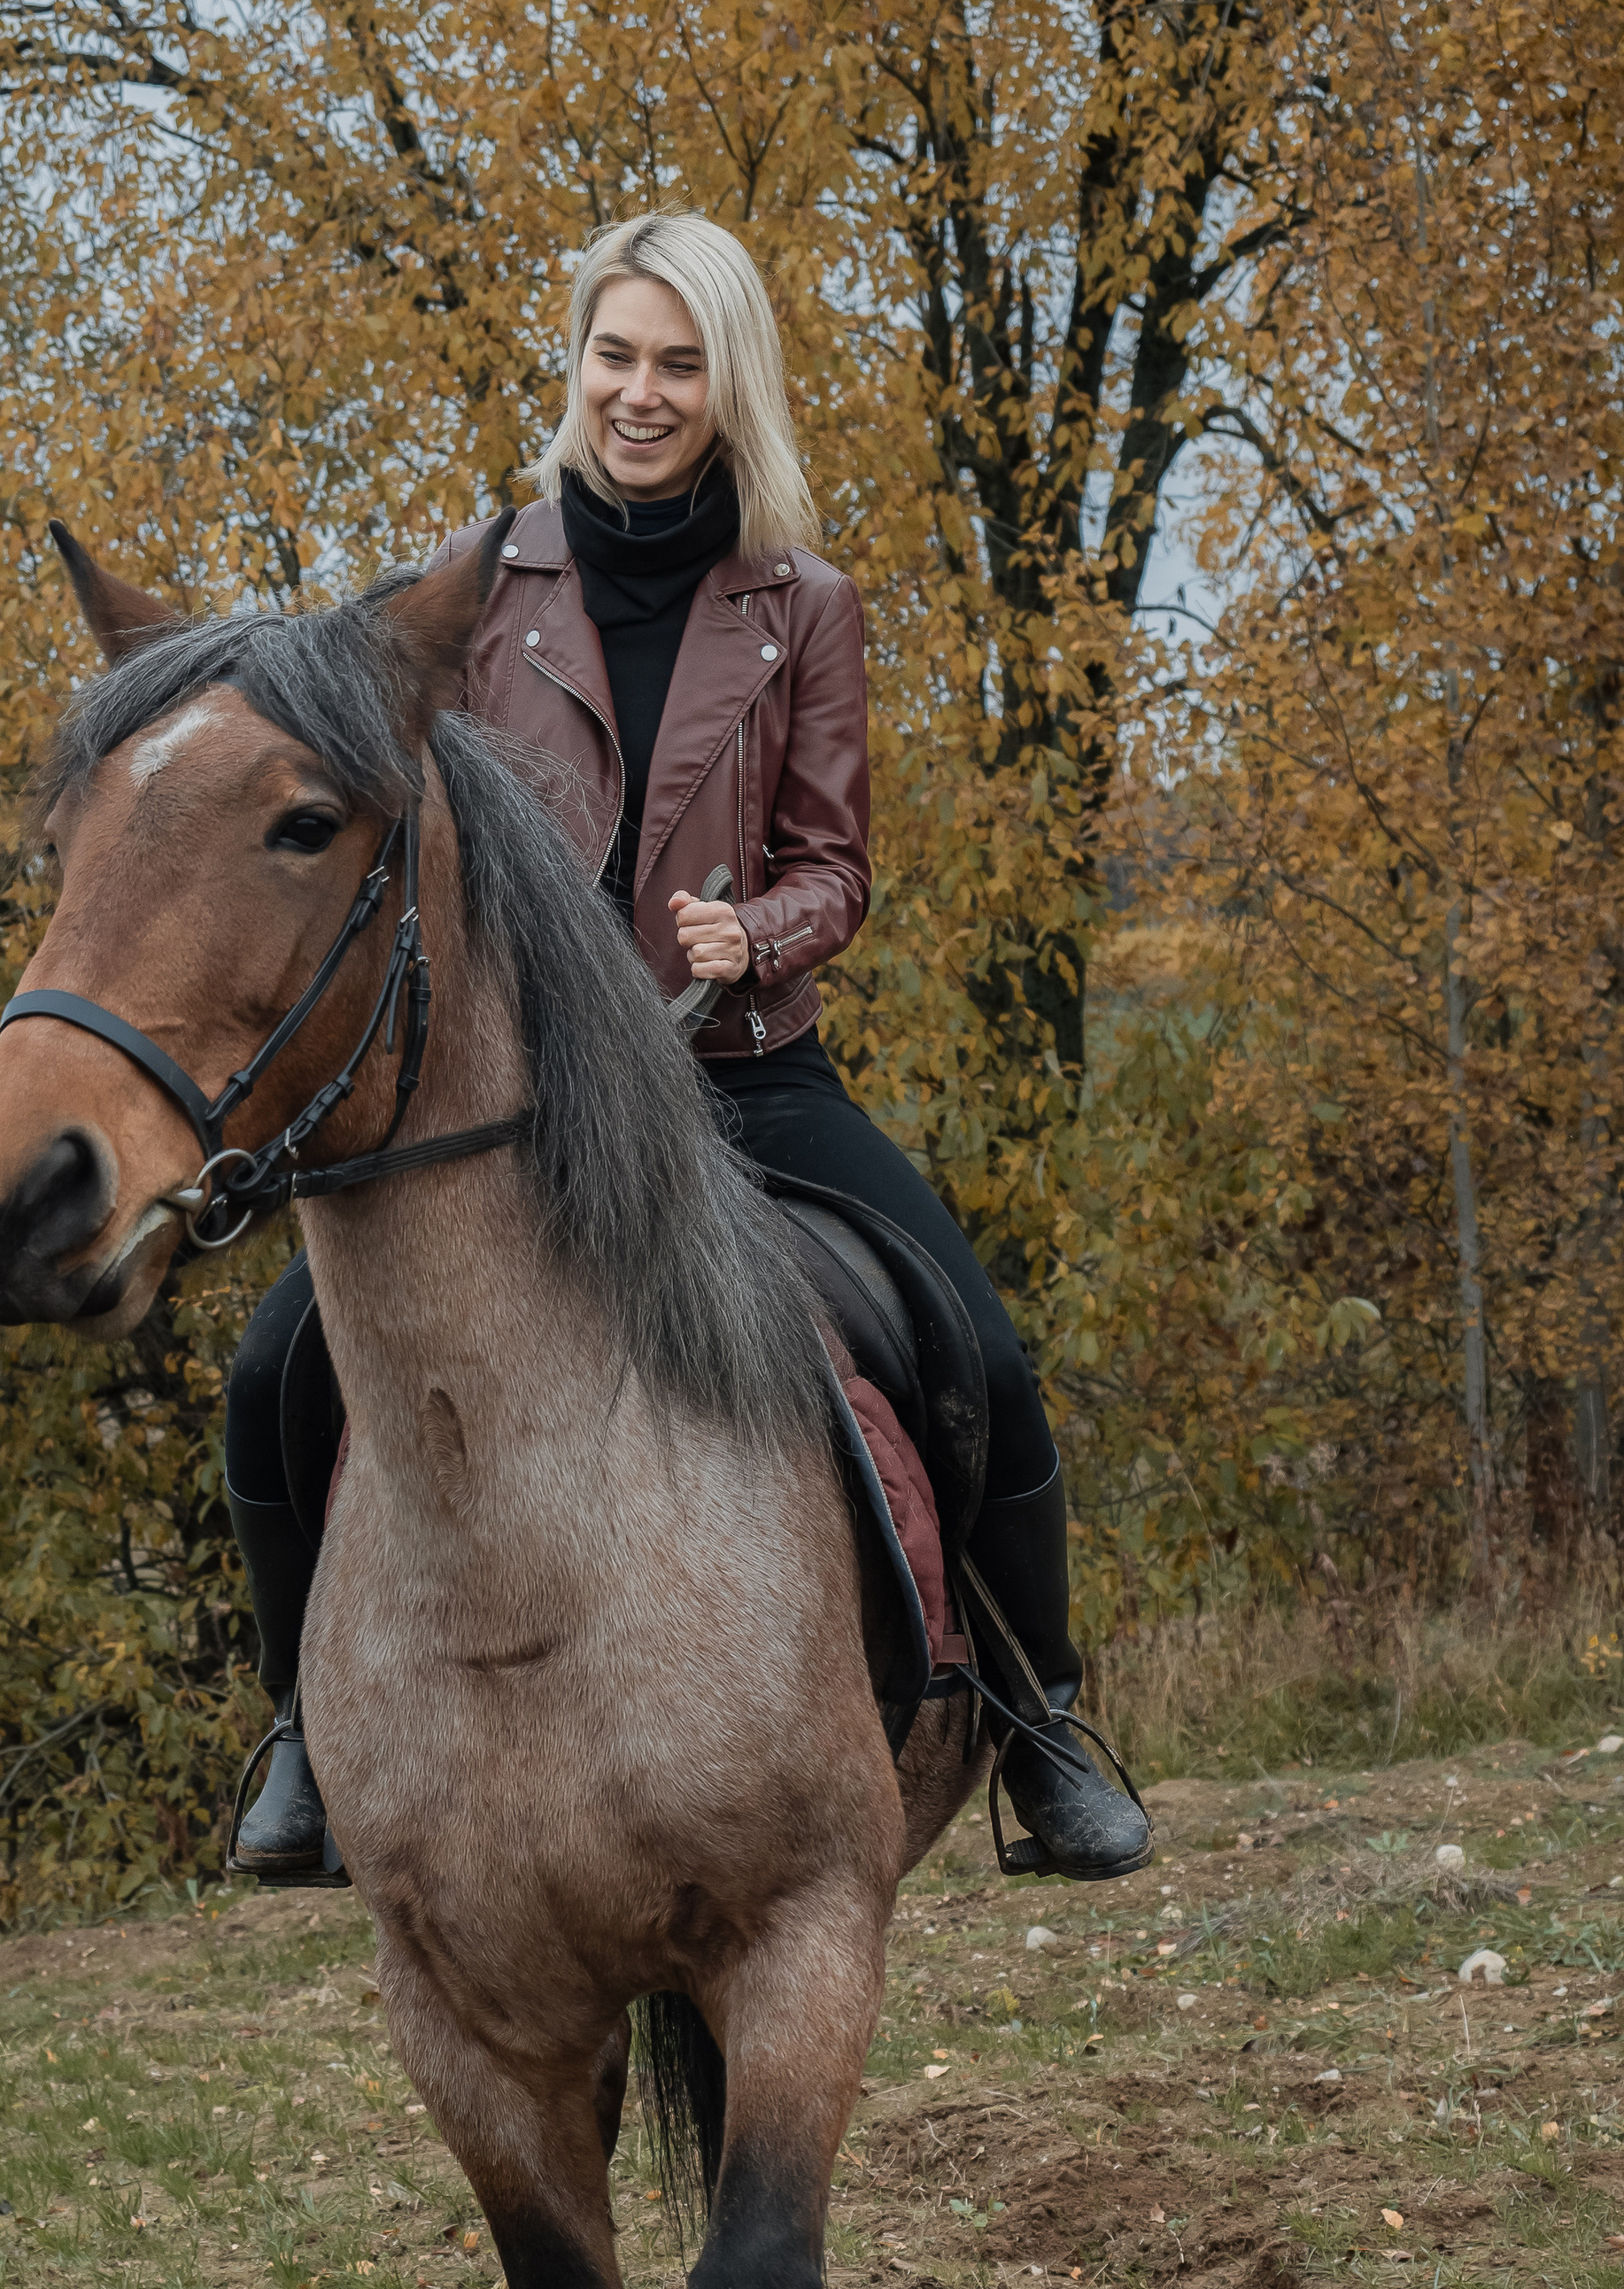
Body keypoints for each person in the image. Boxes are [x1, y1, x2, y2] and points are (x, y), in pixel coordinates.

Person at [222, 211, 1149, 1887]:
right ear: (574, 361)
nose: (639, 393)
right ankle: (301, 1731)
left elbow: (837, 864)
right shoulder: (467, 588)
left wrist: (761, 937)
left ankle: (1038, 1718)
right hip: (512, 1094)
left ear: (730, 385)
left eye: (677, 362)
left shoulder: (807, 606)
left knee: (980, 1355)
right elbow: (352, 797)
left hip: (742, 1073)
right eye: (613, 353)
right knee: (270, 1373)